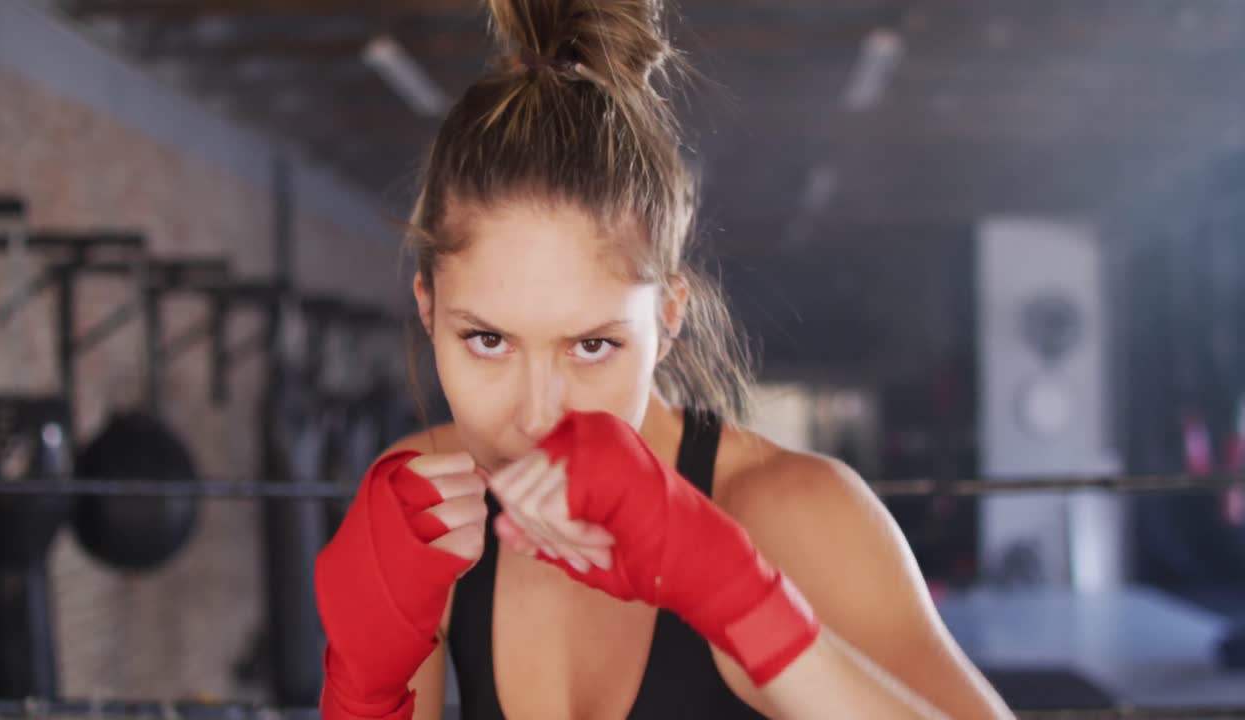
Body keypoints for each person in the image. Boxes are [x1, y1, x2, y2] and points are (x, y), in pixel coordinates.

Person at [315, 1, 1013, 717]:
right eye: (488, 340)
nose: (535, 415)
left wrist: (743, 602)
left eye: (593, 346)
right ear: (428, 309)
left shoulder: (792, 512)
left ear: (669, 318)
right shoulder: (425, 508)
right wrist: (363, 686)